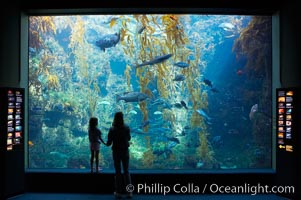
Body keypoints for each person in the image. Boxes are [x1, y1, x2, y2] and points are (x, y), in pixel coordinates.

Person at [106, 112, 132, 199]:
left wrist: (106, 143)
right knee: (126, 171)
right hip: (125, 151)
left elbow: (109, 142)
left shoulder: (112, 129)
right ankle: (129, 192)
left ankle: (119, 192)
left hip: (116, 152)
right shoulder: (126, 127)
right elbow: (128, 138)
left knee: (118, 172)